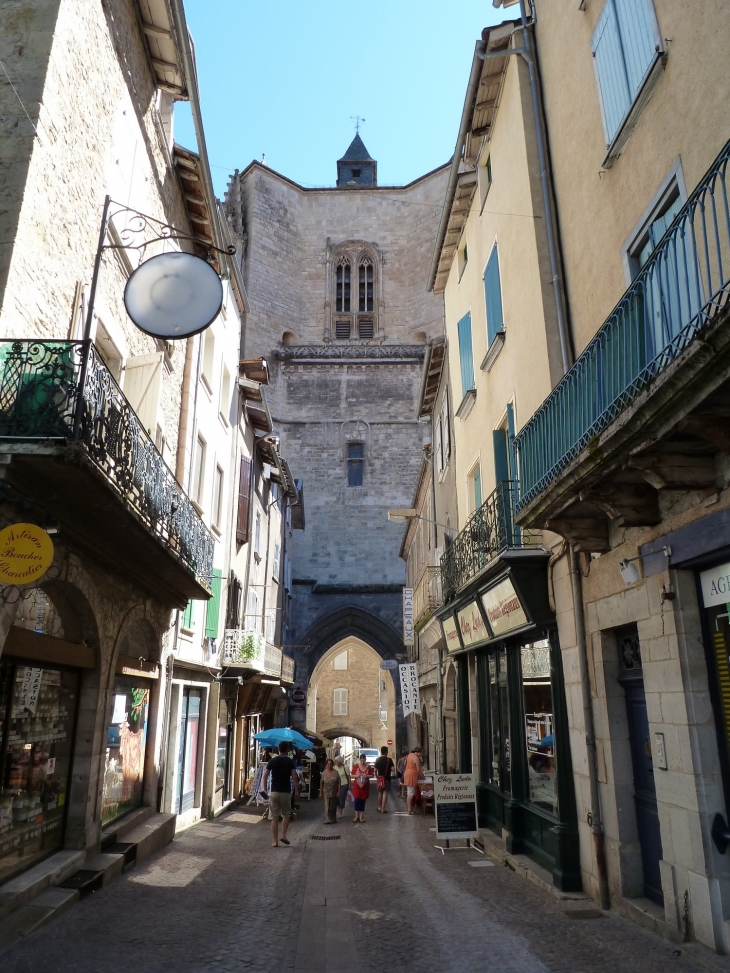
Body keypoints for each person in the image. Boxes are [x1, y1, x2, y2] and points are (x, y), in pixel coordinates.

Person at [261, 740, 299, 847]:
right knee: (286, 815)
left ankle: (275, 841)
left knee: (274, 817)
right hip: (286, 792)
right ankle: (283, 835)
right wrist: (296, 791)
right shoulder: (290, 761)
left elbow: (265, 776)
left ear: (278, 749)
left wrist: (264, 789)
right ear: (287, 750)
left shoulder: (272, 761)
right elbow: (295, 777)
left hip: (274, 792)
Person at [350, 753, 371, 823]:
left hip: (365, 787)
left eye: (364, 761)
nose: (362, 762)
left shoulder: (368, 767)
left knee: (362, 801)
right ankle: (356, 816)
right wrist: (357, 775)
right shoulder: (356, 766)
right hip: (357, 787)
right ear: (359, 760)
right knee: (356, 800)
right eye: (361, 761)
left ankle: (361, 816)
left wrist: (367, 776)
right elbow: (352, 775)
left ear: (365, 760)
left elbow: (372, 775)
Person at [319, 758, 340, 824]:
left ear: (332, 765)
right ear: (326, 765)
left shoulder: (336, 772)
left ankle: (333, 818)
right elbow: (321, 782)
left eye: (330, 764)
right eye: (328, 764)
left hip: (334, 792)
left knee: (333, 806)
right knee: (327, 806)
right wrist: (320, 792)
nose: (329, 765)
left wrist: (339, 792)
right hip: (326, 792)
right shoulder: (324, 773)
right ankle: (328, 819)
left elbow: (339, 782)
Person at [374, 745, 394, 813]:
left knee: (380, 793)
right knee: (385, 793)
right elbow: (393, 769)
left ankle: (379, 807)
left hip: (380, 779)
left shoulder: (378, 759)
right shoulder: (389, 760)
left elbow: (375, 770)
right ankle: (383, 808)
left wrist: (377, 777)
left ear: (381, 752)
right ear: (386, 752)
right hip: (387, 778)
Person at [403, 747, 422, 815]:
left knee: (410, 792)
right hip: (412, 775)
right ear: (418, 752)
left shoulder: (409, 755)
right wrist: (423, 777)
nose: (421, 755)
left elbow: (405, 764)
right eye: (421, 753)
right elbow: (419, 770)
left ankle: (410, 809)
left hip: (407, 773)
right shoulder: (416, 758)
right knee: (410, 793)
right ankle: (409, 809)